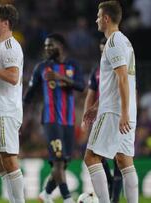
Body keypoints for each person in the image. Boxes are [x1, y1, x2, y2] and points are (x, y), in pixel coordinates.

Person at [83, 1, 138, 203]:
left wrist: (122, 113)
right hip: (125, 109)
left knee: (91, 157)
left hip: (115, 111)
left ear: (106, 18)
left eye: (99, 16)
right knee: (124, 160)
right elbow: (117, 82)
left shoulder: (113, 43)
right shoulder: (125, 42)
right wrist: (95, 106)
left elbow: (122, 78)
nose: (97, 19)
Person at [24, 33, 85, 203]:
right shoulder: (41, 68)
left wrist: (61, 78)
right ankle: (67, 198)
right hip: (50, 119)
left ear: (61, 46)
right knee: (57, 160)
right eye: (45, 46)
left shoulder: (72, 65)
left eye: (51, 45)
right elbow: (29, 95)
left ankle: (46, 194)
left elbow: (81, 86)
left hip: (69, 120)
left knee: (65, 161)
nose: (47, 48)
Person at [0, 4, 25, 203]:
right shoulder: (1, 48)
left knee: (9, 159)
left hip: (6, 109)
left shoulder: (10, 46)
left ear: (5, 23)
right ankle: (13, 198)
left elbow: (12, 76)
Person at [82, 37, 123, 203]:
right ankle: (110, 187)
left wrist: (129, 112)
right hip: (100, 114)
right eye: (100, 50)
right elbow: (90, 95)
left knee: (118, 158)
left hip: (112, 113)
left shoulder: (118, 66)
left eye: (104, 49)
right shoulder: (97, 71)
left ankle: (114, 198)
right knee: (98, 156)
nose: (103, 53)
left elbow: (127, 88)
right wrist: (86, 115)